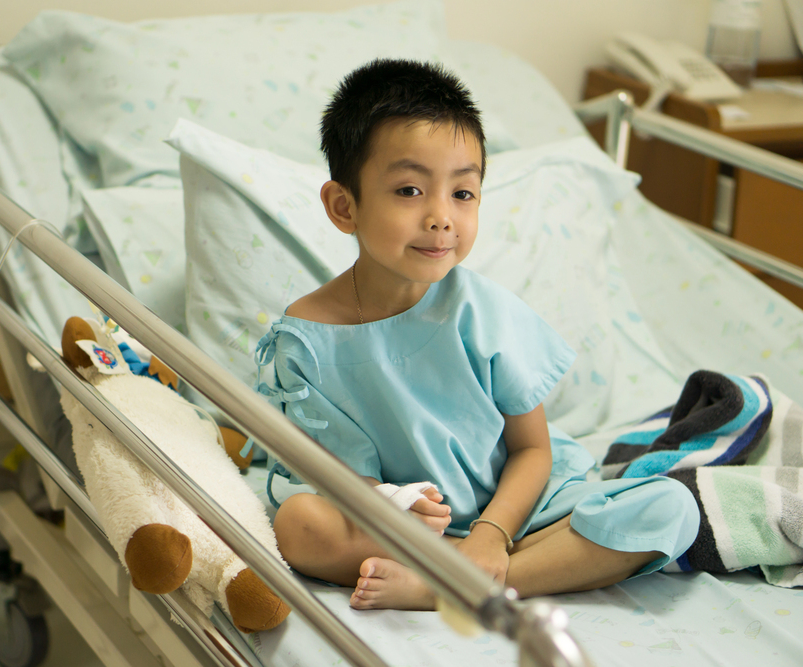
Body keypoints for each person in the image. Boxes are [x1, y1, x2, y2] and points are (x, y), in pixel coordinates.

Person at [254, 59, 699, 611]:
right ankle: (461, 569)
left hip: (516, 514)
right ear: (344, 206)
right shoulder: (307, 343)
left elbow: (532, 450)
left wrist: (491, 535)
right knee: (299, 524)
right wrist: (391, 504)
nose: (442, 217)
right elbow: (337, 479)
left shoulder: (483, 312)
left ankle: (458, 586)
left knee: (668, 507)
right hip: (403, 529)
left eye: (462, 194)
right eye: (411, 190)